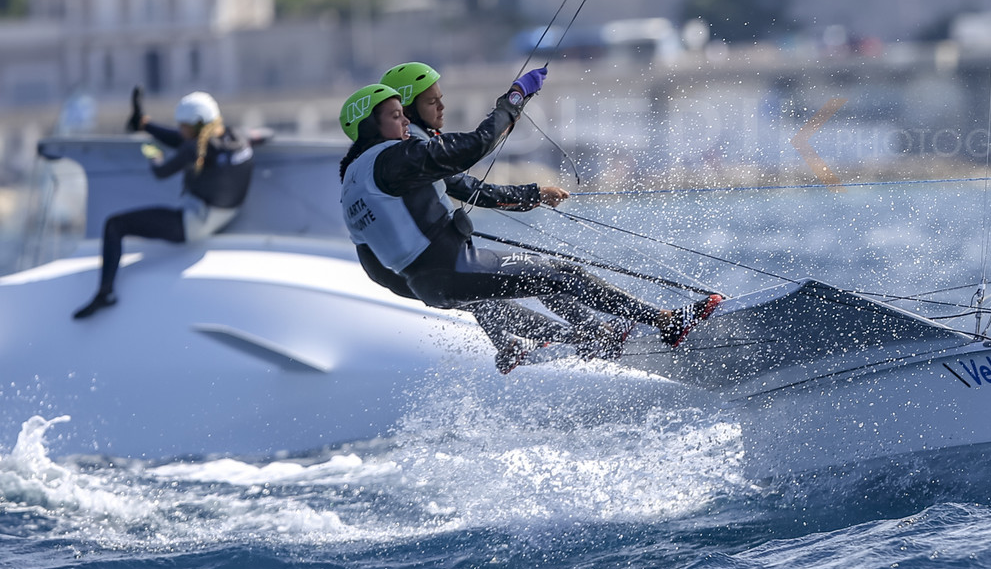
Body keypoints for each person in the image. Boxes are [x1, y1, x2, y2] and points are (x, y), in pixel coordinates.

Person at [337, 70, 719, 368]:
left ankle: (590, 335)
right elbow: (476, 146)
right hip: (450, 267)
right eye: (396, 117)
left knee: (530, 282)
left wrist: (419, 283)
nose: (405, 123)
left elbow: (376, 268)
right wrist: (514, 99)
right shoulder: (395, 158)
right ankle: (667, 322)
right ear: (371, 127)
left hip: (431, 281)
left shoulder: (353, 182)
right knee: (563, 274)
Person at [369, 61, 577, 370]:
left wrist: (533, 195)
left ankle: (518, 344)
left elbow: (468, 189)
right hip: (411, 270)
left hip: (392, 274)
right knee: (535, 275)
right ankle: (592, 334)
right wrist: (516, 97)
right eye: (432, 100)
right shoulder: (411, 151)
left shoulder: (384, 153)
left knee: (478, 290)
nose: (442, 107)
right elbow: (473, 176)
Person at [74, 89, 255, 319]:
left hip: (192, 225)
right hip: (227, 214)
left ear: (197, 126)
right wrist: (146, 125)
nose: (180, 129)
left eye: (183, 126)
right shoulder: (238, 137)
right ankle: (143, 122)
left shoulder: (192, 149)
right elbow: (190, 142)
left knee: (115, 225)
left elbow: (161, 172)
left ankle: (105, 293)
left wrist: (153, 155)